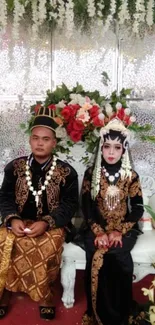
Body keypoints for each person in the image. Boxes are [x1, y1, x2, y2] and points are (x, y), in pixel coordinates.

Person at [0, 106, 79, 320]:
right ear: (30, 140)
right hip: (17, 222)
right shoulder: (14, 167)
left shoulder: (67, 172)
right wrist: (12, 218)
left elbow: (70, 204)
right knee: (4, 239)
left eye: (45, 139)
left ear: (54, 143)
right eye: (35, 138)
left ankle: (45, 294)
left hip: (51, 225)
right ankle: (5, 290)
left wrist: (47, 222)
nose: (40, 143)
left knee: (48, 243)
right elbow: (4, 197)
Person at [81, 118, 144, 325]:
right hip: (95, 228)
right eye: (107, 146)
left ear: (124, 150)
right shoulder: (92, 174)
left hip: (124, 230)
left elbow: (137, 208)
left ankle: (120, 313)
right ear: (101, 147)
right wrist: (98, 231)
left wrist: (121, 230)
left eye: (117, 147)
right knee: (98, 250)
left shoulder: (130, 176)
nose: (111, 152)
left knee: (117, 252)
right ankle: (97, 314)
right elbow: (87, 207)